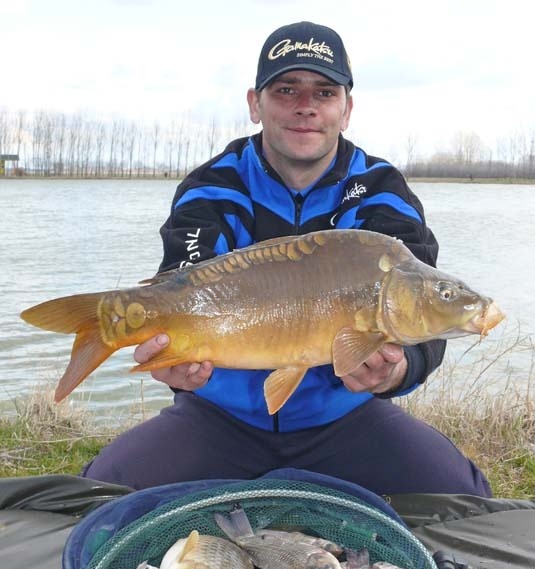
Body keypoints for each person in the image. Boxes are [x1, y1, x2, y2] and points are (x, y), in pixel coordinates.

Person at [82, 21, 491, 497]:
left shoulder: (381, 190)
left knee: (463, 501)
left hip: (345, 418)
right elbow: (180, 288)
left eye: (324, 91)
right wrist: (174, 364)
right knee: (98, 498)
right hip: (219, 416)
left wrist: (397, 370)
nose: (306, 107)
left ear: (347, 107)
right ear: (256, 104)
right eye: (286, 90)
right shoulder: (213, 187)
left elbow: (421, 313)